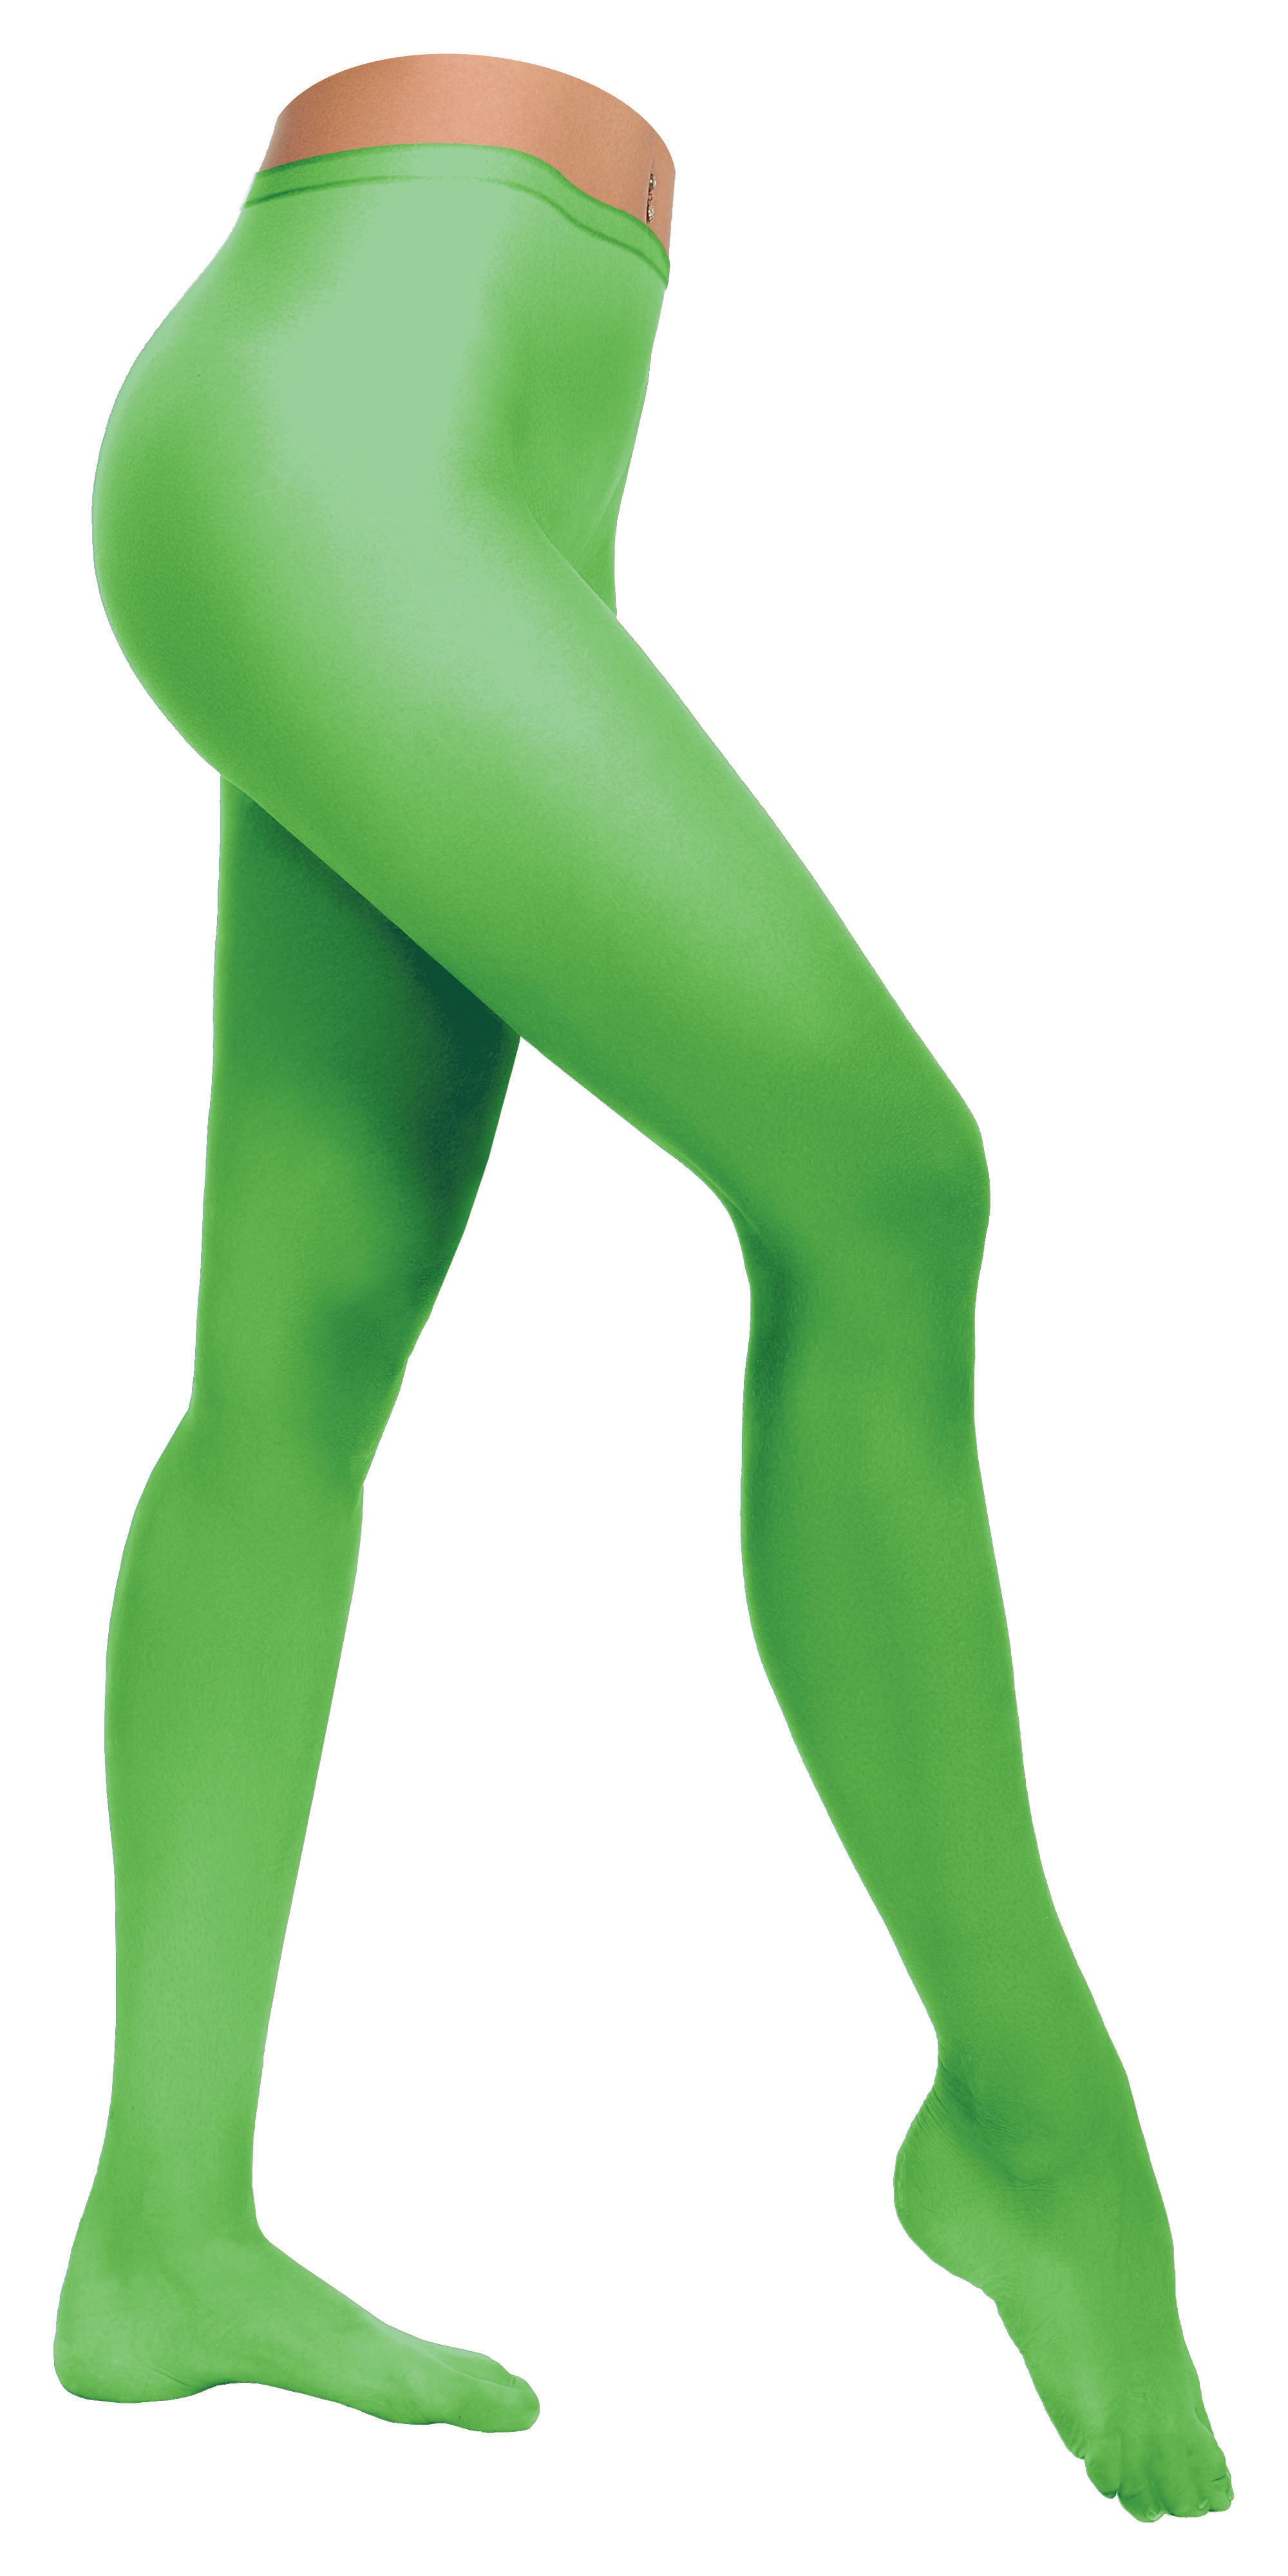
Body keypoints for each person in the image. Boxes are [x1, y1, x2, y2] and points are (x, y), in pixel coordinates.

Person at [54, 52, 1231, 2523]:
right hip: (349, 457)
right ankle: (1034, 2109)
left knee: (288, 1369)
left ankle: (160, 2235)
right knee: (889, 1191)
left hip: (408, 454)